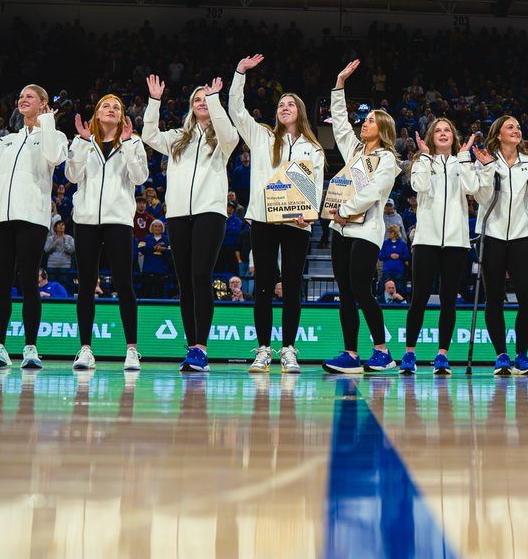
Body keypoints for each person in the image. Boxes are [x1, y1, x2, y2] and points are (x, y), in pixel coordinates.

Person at [229, 54, 325, 374]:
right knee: (265, 287)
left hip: (297, 224)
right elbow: (236, 111)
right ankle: (264, 349)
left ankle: (288, 349)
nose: (284, 107)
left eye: (290, 104)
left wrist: (308, 215)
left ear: (300, 112)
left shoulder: (313, 149)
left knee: (292, 287)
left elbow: (316, 188)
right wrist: (240, 73)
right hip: (263, 220)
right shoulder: (262, 137)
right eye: (281, 104)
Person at [144, 75, 239, 372]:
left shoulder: (224, 137)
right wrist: (154, 102)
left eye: (206, 100)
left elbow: (228, 132)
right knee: (185, 282)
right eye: (197, 99)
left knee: (200, 276)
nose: (201, 103)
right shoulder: (175, 138)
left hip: (209, 212)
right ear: (190, 106)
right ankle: (191, 345)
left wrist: (214, 99)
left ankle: (201, 347)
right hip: (177, 216)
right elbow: (148, 134)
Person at [0, 84, 67, 369]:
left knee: (28, 284)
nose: (23, 100)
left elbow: (54, 157)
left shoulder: (54, 135)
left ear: (43, 104)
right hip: (0, 218)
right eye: (21, 97)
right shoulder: (6, 141)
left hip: (32, 219)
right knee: (1, 284)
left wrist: (48, 122)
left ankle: (30, 348)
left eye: (30, 97)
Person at [322, 60, 400, 375]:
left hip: (366, 231)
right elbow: (339, 122)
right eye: (364, 120)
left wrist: (342, 209)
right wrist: (339, 84)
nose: (363, 124)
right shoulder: (356, 152)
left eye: (369, 120)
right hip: (341, 230)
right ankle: (351, 354)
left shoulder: (388, 159)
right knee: (345, 291)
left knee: (360, 289)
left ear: (381, 128)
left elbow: (374, 192)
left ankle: (382, 351)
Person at [66, 92, 149, 371]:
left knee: (125, 284)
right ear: (97, 114)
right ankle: (86, 349)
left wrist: (126, 144)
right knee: (86, 285)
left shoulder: (133, 141)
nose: (111, 109)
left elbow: (140, 178)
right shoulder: (83, 142)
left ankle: (132, 350)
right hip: (86, 220)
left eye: (116, 107)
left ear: (123, 115)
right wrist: (79, 143)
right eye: (105, 106)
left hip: (119, 221)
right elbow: (71, 176)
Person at [471, 113, 528, 377]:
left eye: (517, 127)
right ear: (499, 134)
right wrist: (484, 169)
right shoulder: (486, 160)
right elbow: (482, 198)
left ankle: (522, 355)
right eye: (510, 127)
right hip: (491, 237)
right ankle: (501, 355)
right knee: (494, 298)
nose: (516, 130)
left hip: (521, 237)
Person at [399, 117, 479, 375]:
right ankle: (409, 353)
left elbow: (472, 188)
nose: (443, 134)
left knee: (449, 300)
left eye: (447, 130)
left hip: (457, 242)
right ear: (431, 137)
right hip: (426, 240)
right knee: (419, 298)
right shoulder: (424, 161)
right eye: (438, 131)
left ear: (453, 137)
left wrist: (466, 157)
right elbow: (418, 186)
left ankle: (442, 355)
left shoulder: (461, 160)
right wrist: (423, 158)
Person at [137, 219, 171, 300]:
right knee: (146, 291)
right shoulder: (146, 238)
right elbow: (141, 249)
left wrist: (163, 250)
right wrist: (153, 248)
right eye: (155, 226)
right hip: (148, 269)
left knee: (159, 292)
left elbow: (170, 252)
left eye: (159, 226)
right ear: (152, 227)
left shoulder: (166, 239)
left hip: (161, 269)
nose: (157, 228)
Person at [378, 225, 409, 291]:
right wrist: (390, 256)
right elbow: (380, 256)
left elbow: (407, 256)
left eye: (391, 232)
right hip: (387, 271)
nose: (389, 234)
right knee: (386, 290)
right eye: (388, 232)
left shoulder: (402, 244)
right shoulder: (384, 243)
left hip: (399, 271)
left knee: (399, 290)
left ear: (395, 233)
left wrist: (399, 256)